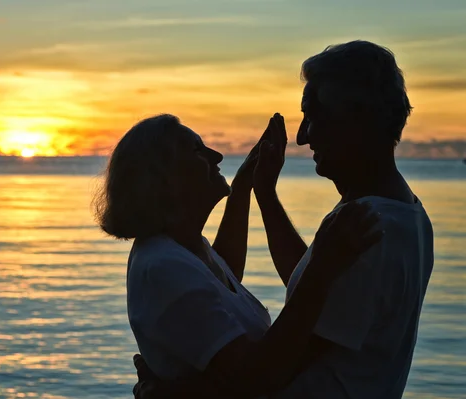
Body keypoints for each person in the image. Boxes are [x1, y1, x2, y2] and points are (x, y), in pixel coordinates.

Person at [132, 40, 435, 399]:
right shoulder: (401, 213)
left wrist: (172, 393)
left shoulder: (369, 228)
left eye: (314, 116)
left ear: (358, 120)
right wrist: (264, 193)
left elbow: (268, 374)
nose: (303, 136)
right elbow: (314, 287)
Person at [95, 113, 382, 398]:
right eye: (198, 150)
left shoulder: (184, 248)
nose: (217, 156)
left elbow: (220, 284)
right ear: (163, 178)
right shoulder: (164, 267)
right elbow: (255, 376)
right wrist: (322, 267)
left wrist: (245, 187)